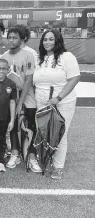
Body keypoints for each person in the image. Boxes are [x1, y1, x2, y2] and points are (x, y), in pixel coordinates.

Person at [33, 29, 80, 179]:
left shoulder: (67, 57)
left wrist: (58, 98)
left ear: (57, 40)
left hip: (63, 102)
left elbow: (74, 78)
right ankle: (47, 160)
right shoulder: (39, 58)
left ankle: (58, 166)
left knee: (60, 134)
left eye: (51, 39)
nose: (47, 42)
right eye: (45, 39)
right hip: (42, 102)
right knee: (44, 133)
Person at [1, 26, 42, 172]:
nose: (11, 40)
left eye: (15, 38)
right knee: (13, 124)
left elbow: (28, 81)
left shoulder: (28, 55)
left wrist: (20, 101)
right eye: (9, 37)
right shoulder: (4, 56)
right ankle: (15, 153)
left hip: (27, 95)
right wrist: (13, 100)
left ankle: (31, 156)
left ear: (22, 39)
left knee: (31, 125)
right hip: (11, 96)